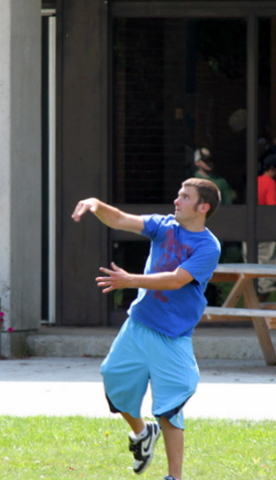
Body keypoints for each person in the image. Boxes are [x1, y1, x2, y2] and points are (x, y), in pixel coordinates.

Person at [71, 178, 222, 480]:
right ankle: (142, 433)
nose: (177, 201)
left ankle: (174, 477)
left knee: (169, 407)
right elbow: (121, 219)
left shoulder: (208, 246)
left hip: (172, 336)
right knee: (113, 381)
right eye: (178, 194)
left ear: (202, 207)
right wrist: (96, 205)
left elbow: (177, 279)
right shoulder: (164, 226)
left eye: (185, 197)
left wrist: (131, 280)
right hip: (138, 326)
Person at [254, 156, 276, 300]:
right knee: (269, 271)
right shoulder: (270, 183)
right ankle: (259, 308)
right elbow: (271, 206)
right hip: (266, 230)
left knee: (254, 272)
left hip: (252, 229)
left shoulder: (255, 181)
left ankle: (251, 307)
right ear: (272, 169)